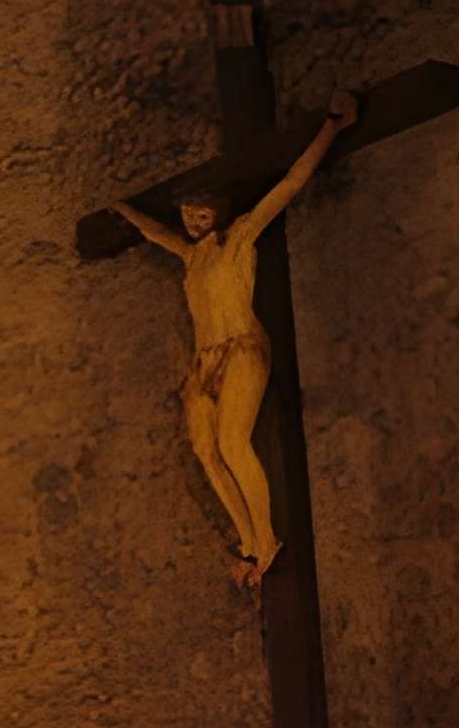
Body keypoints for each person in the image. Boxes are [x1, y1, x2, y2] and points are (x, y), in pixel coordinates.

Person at [113, 90, 356, 586]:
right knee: (205, 451)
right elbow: (155, 234)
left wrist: (331, 127)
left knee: (232, 441)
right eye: (188, 216)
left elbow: (289, 184)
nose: (193, 223)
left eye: (202, 216)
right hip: (204, 362)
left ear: (219, 215)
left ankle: (267, 538)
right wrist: (123, 211)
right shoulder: (190, 256)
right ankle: (247, 539)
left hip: (243, 345)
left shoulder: (241, 237)